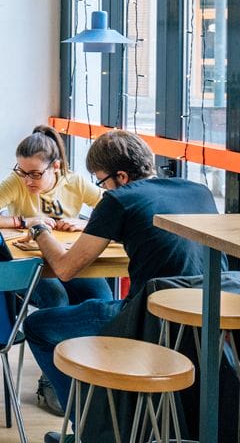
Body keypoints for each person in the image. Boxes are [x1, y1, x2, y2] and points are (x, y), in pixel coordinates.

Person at [23, 129, 219, 433]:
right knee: (93, 302)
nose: (102, 190)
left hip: (148, 317)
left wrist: (39, 230)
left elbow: (64, 268)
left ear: (122, 177)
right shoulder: (199, 191)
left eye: (101, 182)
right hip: (204, 319)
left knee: (38, 326)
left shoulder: (119, 199)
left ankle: (86, 428)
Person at [0, 125, 112, 308]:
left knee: (102, 299)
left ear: (55, 166)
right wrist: (23, 221)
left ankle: (81, 337)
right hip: (28, 262)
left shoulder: (74, 182)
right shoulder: (17, 182)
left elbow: (112, 206)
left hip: (68, 257)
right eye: (22, 171)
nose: (27, 180)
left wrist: (85, 224)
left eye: (35, 174)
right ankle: (52, 336)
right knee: (57, 300)